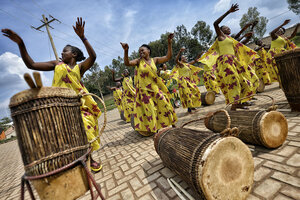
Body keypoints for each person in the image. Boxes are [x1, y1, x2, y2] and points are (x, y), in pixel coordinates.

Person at [2, 17, 102, 172]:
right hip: (59, 105)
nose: (61, 53)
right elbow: (32, 64)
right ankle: (74, 161)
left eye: (65, 51)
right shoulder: (57, 64)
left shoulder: (80, 68)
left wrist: (83, 37)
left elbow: (93, 57)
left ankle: (90, 158)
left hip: (77, 105)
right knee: (65, 136)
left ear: (73, 54)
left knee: (86, 129)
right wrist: (21, 43)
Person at [198, 4, 259, 110]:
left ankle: (241, 101)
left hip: (234, 61)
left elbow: (240, 44)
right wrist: (228, 12)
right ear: (221, 31)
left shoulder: (230, 40)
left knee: (245, 81)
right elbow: (215, 23)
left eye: (228, 27)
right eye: (226, 28)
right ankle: (234, 105)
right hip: (226, 62)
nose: (228, 28)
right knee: (233, 82)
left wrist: (247, 37)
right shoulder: (221, 37)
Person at [120, 33, 177, 134]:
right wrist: (126, 51)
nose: (140, 52)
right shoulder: (138, 61)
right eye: (139, 51)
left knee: (165, 104)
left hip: (155, 88)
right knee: (151, 110)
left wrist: (169, 43)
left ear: (148, 51)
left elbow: (168, 56)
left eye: (142, 50)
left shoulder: (154, 60)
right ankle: (156, 131)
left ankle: (172, 124)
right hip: (144, 92)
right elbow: (127, 63)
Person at [173, 47, 203, 113]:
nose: (186, 58)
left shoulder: (187, 64)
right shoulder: (180, 64)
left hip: (189, 81)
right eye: (184, 57)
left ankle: (192, 106)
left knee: (195, 91)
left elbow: (195, 60)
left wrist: (200, 54)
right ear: (181, 59)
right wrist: (180, 52)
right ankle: (190, 109)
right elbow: (176, 60)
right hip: (183, 81)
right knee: (187, 94)